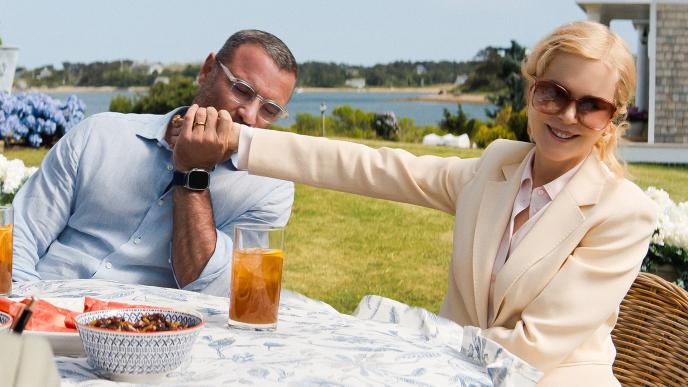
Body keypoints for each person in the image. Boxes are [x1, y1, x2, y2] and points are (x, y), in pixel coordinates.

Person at [187, 21, 657, 385]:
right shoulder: (497, 166)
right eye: (553, 93)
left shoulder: (621, 213)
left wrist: (399, 329)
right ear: (532, 89)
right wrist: (240, 142)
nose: (567, 115)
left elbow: (529, 350)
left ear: (613, 119)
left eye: (591, 105)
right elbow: (374, 166)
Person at [11, 29, 298, 296]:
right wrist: (28, 313)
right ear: (207, 70)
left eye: (269, 110)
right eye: (242, 90)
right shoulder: (98, 134)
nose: (249, 115)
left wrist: (192, 172)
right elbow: (19, 236)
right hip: (43, 309)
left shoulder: (269, 189)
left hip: (147, 336)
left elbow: (215, 290)